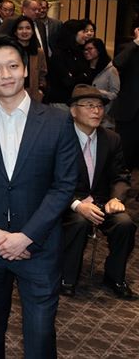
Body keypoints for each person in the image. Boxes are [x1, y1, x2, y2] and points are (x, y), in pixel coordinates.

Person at [0, 36, 79, 358]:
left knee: (40, 337)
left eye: (13, 66)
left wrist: (26, 236)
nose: (6, 74)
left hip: (39, 248)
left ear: (25, 70)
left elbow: (64, 186)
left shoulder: (58, 121)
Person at [58, 85, 136, 299]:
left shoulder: (111, 139)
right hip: (68, 201)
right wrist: (77, 205)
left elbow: (121, 175)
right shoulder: (59, 137)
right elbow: (51, 180)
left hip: (102, 202)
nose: (96, 111)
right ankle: (67, 277)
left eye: (100, 106)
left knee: (125, 223)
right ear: (73, 111)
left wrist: (115, 198)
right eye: (89, 106)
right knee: (79, 221)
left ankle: (114, 276)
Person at [111, 18, 139, 169]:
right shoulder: (127, 48)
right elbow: (117, 63)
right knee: (124, 155)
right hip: (129, 111)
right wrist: (136, 43)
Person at [45, 19, 91, 107]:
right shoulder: (59, 54)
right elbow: (67, 82)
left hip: (77, 102)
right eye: (83, 32)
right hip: (60, 103)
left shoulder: (79, 52)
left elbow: (88, 76)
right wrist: (81, 76)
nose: (85, 35)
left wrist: (76, 77)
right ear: (73, 33)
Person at [9, 15, 48, 102]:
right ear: (15, 32)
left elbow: (43, 74)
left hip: (33, 97)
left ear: (33, 31)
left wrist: (41, 90)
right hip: (12, 96)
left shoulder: (39, 52)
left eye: (28, 28)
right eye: (20, 28)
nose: (24, 31)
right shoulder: (9, 52)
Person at [83, 37, 118, 128]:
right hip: (85, 114)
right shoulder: (83, 68)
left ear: (99, 50)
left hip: (104, 117)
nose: (86, 52)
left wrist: (98, 91)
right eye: (85, 49)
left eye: (90, 49)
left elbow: (115, 94)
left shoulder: (110, 69)